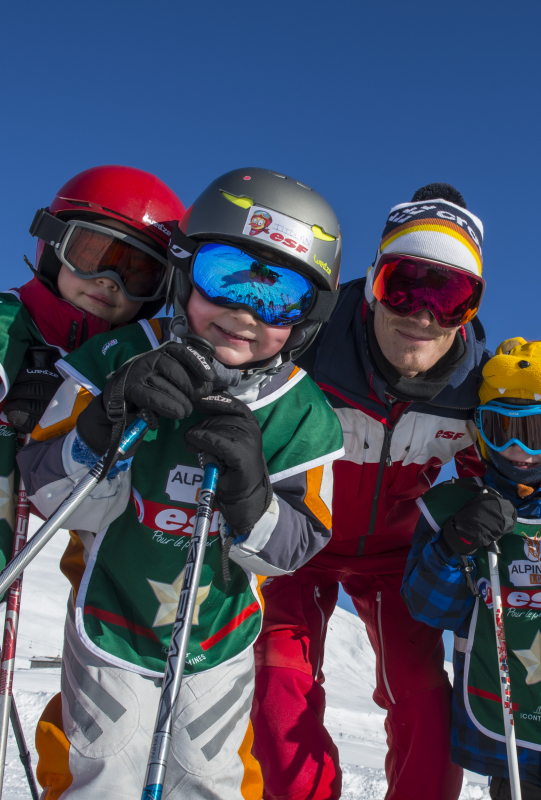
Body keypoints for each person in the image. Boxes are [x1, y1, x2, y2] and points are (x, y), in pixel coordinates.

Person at [18, 167, 345, 799]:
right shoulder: (117, 358)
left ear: (307, 320)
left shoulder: (300, 410)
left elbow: (297, 546)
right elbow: (52, 495)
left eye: (279, 298)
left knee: (207, 779)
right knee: (105, 770)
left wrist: (253, 497)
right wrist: (103, 424)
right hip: (114, 613)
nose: (244, 314)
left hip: (217, 633)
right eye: (225, 277)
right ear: (184, 272)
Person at [250, 183, 490, 800]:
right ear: (372, 280)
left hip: (395, 562)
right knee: (279, 697)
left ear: (471, 308)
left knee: (427, 705)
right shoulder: (307, 345)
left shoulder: (475, 393)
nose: (423, 314)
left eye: (452, 297)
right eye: (404, 284)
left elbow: (500, 476)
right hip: (295, 543)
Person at [403, 336, 541, 799]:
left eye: (538, 431)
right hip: (502, 714)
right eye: (498, 428)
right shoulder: (453, 506)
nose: (516, 450)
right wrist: (453, 545)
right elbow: (427, 607)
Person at [0, 164, 185, 569]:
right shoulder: (5, 323)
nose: (108, 280)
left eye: (138, 274)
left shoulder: (137, 362)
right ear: (53, 244)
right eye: (91, 255)